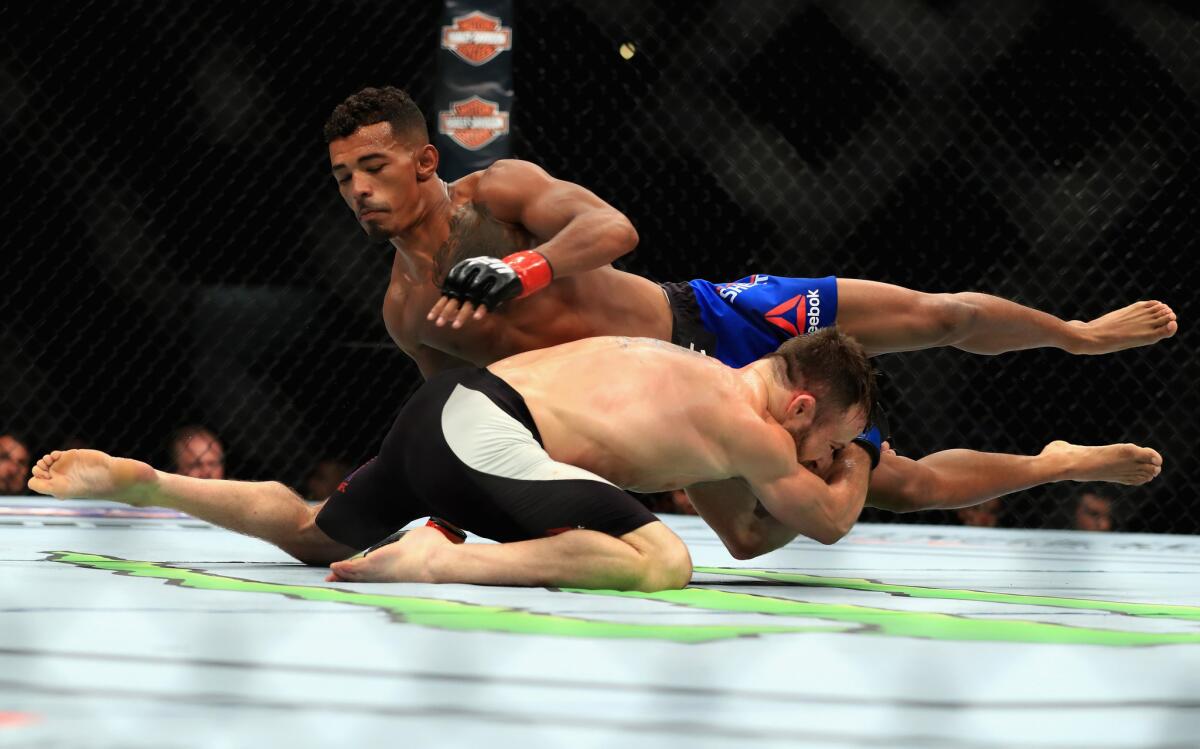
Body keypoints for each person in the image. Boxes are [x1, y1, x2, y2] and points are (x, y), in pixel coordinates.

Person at [323, 86, 1176, 518]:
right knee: (896, 489)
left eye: (373, 167)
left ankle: (1075, 334)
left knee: (934, 314)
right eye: (343, 178)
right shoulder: (405, 310)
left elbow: (614, 228)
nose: (359, 190)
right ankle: (1060, 460)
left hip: (708, 316)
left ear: (425, 161)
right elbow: (458, 410)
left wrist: (527, 269)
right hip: (674, 405)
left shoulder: (498, 194)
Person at [29, 332, 1163, 590]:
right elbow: (819, 523)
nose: (827, 456)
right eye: (833, 435)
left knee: (308, 524)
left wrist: (1043, 458)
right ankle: (431, 565)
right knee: (654, 558)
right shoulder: (744, 421)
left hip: (453, 417)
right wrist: (858, 458)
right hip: (483, 438)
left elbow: (752, 530)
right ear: (809, 402)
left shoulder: (706, 392)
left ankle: (150, 480)